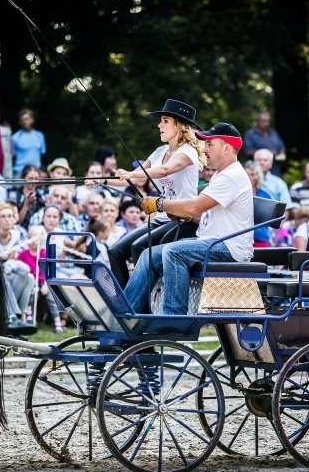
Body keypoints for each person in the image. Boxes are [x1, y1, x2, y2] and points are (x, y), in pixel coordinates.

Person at [125, 121, 254, 315]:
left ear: (226, 148)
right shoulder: (222, 175)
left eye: (210, 144)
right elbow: (202, 214)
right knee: (148, 255)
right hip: (212, 241)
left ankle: (174, 317)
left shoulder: (231, 176)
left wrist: (160, 204)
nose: (205, 148)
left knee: (173, 251)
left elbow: (195, 206)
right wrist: (184, 215)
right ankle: (125, 314)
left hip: (229, 247)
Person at [89, 99, 205, 289]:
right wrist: (101, 180)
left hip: (181, 219)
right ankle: (125, 303)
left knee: (138, 247)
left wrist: (132, 173)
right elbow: (131, 179)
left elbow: (164, 170)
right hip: (162, 218)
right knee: (116, 252)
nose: (159, 125)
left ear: (180, 125)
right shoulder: (160, 151)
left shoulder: (188, 152)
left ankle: (143, 307)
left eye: (165, 120)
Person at [0, 202, 34, 331]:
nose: (7, 219)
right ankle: (13, 317)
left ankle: (17, 317)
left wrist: (5, 260)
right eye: (3, 216)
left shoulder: (16, 235)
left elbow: (11, 259)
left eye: (10, 216)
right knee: (4, 282)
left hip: (7, 269)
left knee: (29, 277)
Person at [18, 226, 64, 332]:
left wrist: (45, 285)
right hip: (30, 282)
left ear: (42, 240)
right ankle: (29, 314)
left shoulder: (44, 254)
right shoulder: (24, 254)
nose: (33, 242)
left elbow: (49, 272)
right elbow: (19, 266)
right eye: (31, 239)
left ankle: (57, 321)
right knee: (31, 292)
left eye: (36, 239)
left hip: (43, 283)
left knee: (51, 298)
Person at [242, 110, 286, 176]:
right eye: (264, 121)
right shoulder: (250, 134)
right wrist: (267, 153)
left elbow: (281, 148)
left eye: (268, 121)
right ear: (257, 121)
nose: (267, 124)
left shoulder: (273, 133)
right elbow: (248, 151)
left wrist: (281, 154)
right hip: (257, 172)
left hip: (275, 170)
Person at [244, 160, 273, 247]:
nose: (249, 177)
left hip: (260, 237)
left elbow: (270, 219)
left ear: (257, 176)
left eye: (252, 175)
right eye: (246, 174)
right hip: (241, 237)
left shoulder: (264, 195)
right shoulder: (237, 194)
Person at [11, 108, 46, 175]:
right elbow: (12, 157)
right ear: (19, 122)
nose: (24, 122)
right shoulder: (14, 137)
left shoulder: (40, 136)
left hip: (36, 173)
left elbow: (43, 155)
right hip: (20, 173)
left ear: (32, 120)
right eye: (22, 120)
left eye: (26, 119)